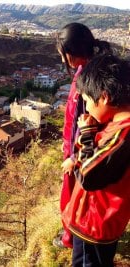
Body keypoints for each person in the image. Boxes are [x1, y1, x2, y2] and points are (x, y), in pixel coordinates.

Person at [62, 54, 130, 267]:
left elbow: (88, 176)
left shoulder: (122, 135)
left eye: (87, 100)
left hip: (96, 225)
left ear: (105, 97)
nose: (87, 108)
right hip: (94, 221)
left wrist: (88, 133)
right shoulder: (117, 124)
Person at [53, 22, 113, 248]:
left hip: (82, 151)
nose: (62, 60)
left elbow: (91, 122)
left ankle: (71, 236)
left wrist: (74, 156)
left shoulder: (89, 78)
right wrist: (66, 144)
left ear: (73, 52)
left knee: (74, 195)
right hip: (75, 145)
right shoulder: (87, 70)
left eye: (63, 54)